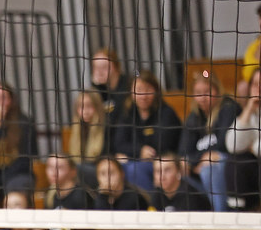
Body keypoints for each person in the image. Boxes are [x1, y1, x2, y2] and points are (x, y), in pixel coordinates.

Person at [110, 69, 183, 193]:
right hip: (135, 162)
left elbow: (161, 146)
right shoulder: (128, 113)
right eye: (138, 90)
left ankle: (150, 207)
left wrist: (131, 154)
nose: (143, 95)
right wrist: (139, 151)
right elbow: (119, 144)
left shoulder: (166, 113)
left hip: (162, 165)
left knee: (134, 169)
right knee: (115, 168)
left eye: (148, 90)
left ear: (156, 91)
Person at [179, 72, 240, 213]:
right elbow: (183, 152)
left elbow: (224, 145)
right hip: (201, 167)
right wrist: (197, 161)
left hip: (229, 164)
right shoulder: (193, 117)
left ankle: (220, 217)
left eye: (207, 92)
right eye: (198, 93)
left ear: (217, 90)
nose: (203, 98)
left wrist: (198, 160)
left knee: (209, 169)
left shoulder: (229, 108)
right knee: (178, 173)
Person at [225, 68, 261, 211]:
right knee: (234, 161)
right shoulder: (250, 114)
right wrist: (248, 110)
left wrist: (255, 147)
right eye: (255, 84)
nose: (259, 89)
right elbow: (232, 145)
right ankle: (237, 212)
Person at [65, 89, 108, 187]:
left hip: (101, 172)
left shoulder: (106, 127)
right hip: (82, 171)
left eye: (89, 106)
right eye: (81, 106)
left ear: (97, 107)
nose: (85, 111)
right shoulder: (77, 128)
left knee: (77, 169)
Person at [90, 48, 131, 128]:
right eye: (96, 68)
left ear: (116, 66)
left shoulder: (128, 85)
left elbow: (117, 115)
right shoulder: (100, 90)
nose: (99, 72)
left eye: (104, 67)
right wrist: (96, 87)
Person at [237, 4, 261, 104]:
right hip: (255, 86)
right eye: (260, 17)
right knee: (243, 87)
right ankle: (250, 117)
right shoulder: (253, 46)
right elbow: (247, 73)